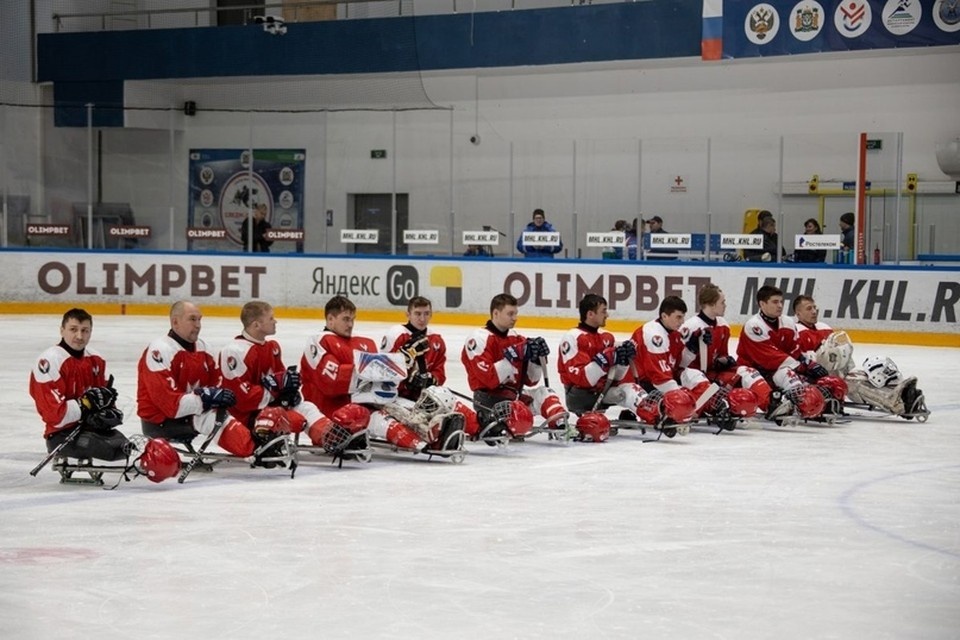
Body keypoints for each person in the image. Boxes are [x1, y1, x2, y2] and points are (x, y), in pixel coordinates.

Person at [301, 295, 462, 453]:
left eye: (353, 319)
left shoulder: (364, 342)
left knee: (411, 410)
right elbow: (332, 382)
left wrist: (401, 366)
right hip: (335, 412)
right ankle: (425, 445)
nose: (350, 324)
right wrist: (376, 371)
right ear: (330, 319)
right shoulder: (319, 341)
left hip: (367, 401)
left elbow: (381, 375)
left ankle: (440, 435)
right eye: (345, 319)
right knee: (383, 420)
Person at [215, 301, 331, 460]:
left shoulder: (272, 347)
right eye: (271, 318)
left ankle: (331, 438)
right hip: (246, 416)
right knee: (294, 419)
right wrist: (274, 389)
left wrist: (290, 391)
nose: (275, 321)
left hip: (270, 408)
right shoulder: (235, 351)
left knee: (306, 406)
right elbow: (242, 400)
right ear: (256, 325)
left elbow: (281, 380)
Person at [792, 295, 925, 418]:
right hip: (815, 377)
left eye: (815, 308)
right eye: (809, 309)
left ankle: (901, 394)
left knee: (866, 377)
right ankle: (897, 404)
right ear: (798, 313)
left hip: (836, 371)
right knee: (854, 384)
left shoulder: (824, 327)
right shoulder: (797, 331)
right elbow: (802, 360)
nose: (814, 311)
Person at [461, 293, 571, 440]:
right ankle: (508, 426)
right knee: (518, 420)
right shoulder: (478, 338)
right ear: (496, 313)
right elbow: (488, 379)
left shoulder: (516, 338)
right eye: (510, 314)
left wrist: (536, 360)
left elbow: (531, 380)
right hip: (489, 401)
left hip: (515, 397)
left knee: (545, 392)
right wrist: (513, 356)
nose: (515, 318)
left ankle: (560, 425)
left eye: (516, 313)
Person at [29, 308, 128, 461]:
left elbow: (104, 400)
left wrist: (109, 411)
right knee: (114, 451)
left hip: (91, 429)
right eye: (73, 329)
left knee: (125, 448)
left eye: (85, 330)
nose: (79, 336)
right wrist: (86, 404)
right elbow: (54, 415)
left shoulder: (96, 359)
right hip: (62, 435)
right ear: (62, 330)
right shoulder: (49, 361)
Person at [137, 301, 237, 446]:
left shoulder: (205, 349)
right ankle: (254, 450)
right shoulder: (159, 351)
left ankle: (258, 439)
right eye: (192, 319)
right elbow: (169, 405)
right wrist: (205, 399)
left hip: (192, 414)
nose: (198, 325)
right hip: (160, 422)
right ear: (175, 322)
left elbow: (219, 386)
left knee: (229, 410)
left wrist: (216, 397)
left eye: (199, 319)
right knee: (214, 419)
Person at [735, 286, 841, 420]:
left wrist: (808, 363)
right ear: (762, 304)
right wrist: (803, 366)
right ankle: (771, 405)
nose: (780, 306)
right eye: (775, 302)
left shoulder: (788, 322)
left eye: (781, 302)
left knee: (792, 378)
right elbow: (770, 357)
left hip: (776, 370)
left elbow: (794, 351)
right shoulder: (754, 326)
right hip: (752, 369)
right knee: (754, 376)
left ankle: (808, 405)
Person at [556, 294, 643, 440]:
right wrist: (604, 360)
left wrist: (622, 361)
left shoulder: (606, 338)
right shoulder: (573, 337)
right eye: (603, 311)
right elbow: (582, 380)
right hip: (580, 396)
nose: (607, 314)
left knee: (630, 389)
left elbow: (615, 379)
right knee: (627, 390)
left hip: (601, 391)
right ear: (590, 314)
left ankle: (657, 412)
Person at [627, 296, 720, 431]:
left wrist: (692, 347)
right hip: (644, 383)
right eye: (678, 317)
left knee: (698, 378)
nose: (682, 322)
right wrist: (683, 400)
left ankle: (689, 410)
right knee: (683, 396)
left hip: (662, 379)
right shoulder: (654, 335)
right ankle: (688, 410)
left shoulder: (673, 334)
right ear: (664, 316)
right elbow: (659, 379)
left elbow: (678, 365)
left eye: (683, 317)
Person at [678, 284, 768, 414]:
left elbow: (722, 354)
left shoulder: (723, 325)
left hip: (713, 373)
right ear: (712, 305)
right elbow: (678, 364)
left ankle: (770, 403)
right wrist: (692, 347)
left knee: (747, 372)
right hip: (693, 375)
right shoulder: (691, 327)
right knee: (703, 382)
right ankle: (693, 411)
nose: (725, 305)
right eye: (722, 302)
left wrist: (725, 361)